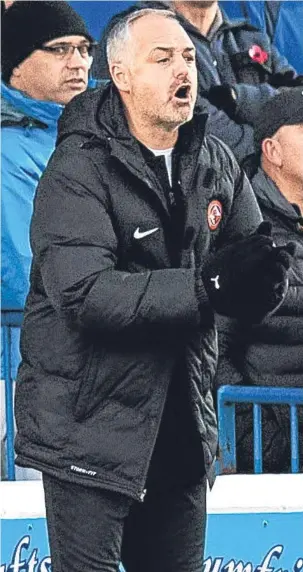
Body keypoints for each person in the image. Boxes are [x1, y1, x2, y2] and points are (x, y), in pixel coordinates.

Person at [14, 9, 295, 571]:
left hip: (183, 430)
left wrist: (263, 283)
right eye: (161, 59)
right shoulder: (77, 170)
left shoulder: (214, 158)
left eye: (188, 57)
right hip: (89, 431)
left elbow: (252, 258)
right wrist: (206, 288)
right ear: (120, 75)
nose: (181, 70)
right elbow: (87, 296)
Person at [1, 0, 95, 479]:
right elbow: (25, 268)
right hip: (22, 370)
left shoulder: (100, 132)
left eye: (84, 49)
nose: (78, 62)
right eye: (59, 50)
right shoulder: (5, 148)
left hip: (84, 366)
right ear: (16, 63)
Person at [93, 0, 302, 165]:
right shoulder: (132, 33)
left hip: (263, 186)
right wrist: (268, 150)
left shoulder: (248, 37)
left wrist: (237, 98)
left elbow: (297, 100)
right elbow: (187, 119)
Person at [215, 88, 303, 473]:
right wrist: (261, 437)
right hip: (272, 449)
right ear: (272, 150)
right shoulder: (242, 230)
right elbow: (212, 345)